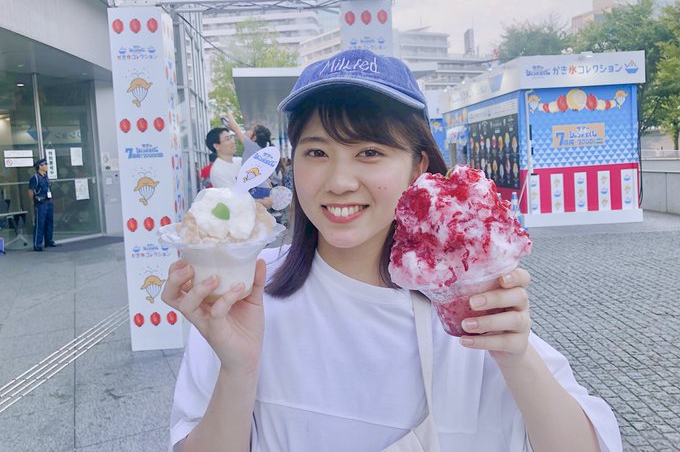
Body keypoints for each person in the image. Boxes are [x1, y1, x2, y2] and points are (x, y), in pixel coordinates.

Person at [162, 49, 622, 452]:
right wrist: (239, 369)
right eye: (317, 152)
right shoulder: (246, 295)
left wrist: (516, 357)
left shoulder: (462, 306)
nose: (340, 182)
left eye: (369, 153)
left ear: (417, 166)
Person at [223, 110, 274, 210]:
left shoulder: (251, 145)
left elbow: (236, 128)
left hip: (255, 188)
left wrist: (229, 113)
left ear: (254, 138)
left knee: (250, 213)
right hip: (263, 188)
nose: (247, 131)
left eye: (250, 130)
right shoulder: (262, 151)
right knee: (259, 215)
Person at [27, 158, 59, 251]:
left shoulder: (45, 176)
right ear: (40, 166)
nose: (47, 166)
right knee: (40, 223)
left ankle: (48, 241)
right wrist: (33, 201)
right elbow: (30, 190)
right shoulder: (35, 178)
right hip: (40, 203)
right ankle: (37, 244)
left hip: (48, 201)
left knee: (49, 222)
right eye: (45, 164)